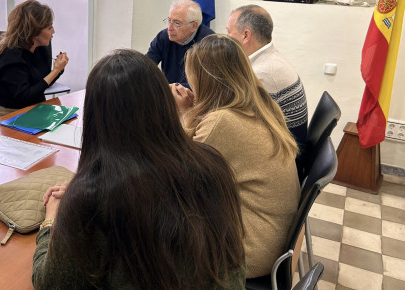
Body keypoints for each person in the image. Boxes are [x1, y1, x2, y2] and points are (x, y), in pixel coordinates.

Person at [32, 49, 246, 288]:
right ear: (164, 104)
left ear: (95, 116)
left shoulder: (93, 196)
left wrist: (52, 219)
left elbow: (50, 283)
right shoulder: (213, 164)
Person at [173, 34, 300, 278]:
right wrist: (193, 112)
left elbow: (179, 175)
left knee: (155, 226)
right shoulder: (261, 103)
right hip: (274, 237)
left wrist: (181, 115)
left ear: (205, 80)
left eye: (193, 79)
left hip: (251, 250)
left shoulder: (222, 121)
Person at [226, 4, 308, 152]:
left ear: (246, 35)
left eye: (229, 32)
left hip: (284, 158)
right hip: (283, 145)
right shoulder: (270, 57)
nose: (226, 38)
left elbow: (242, 127)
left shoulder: (263, 74)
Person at [0, 0, 69, 119]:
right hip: (11, 114)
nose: (53, 32)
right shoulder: (11, 55)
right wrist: (55, 71)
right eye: (49, 28)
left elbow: (43, 84)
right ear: (33, 31)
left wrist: (58, 70)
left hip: (34, 108)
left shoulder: (40, 47)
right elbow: (24, 97)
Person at [146, 0, 214, 86]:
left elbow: (206, 84)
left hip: (197, 96)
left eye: (176, 23)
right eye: (169, 21)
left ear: (193, 26)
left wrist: (170, 89)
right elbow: (146, 66)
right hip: (170, 93)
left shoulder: (209, 43)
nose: (169, 28)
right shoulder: (163, 37)